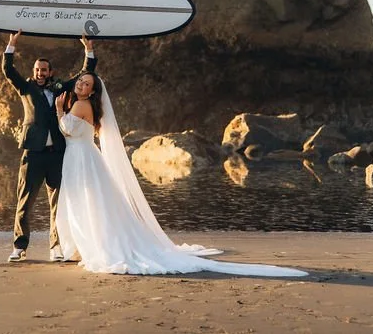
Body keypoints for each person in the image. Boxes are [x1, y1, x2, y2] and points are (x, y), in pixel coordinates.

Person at [53, 72, 307, 278]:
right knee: (91, 202)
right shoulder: (87, 104)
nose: (81, 84)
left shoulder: (80, 105)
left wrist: (59, 110)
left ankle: (89, 246)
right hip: (83, 156)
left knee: (85, 202)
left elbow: (67, 130)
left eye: (86, 84)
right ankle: (87, 245)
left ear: (92, 91)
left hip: (81, 157)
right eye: (80, 81)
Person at [2, 29, 96, 262]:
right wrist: (11, 45)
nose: (40, 73)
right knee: (25, 202)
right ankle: (19, 247)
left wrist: (89, 50)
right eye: (37, 69)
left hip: (57, 154)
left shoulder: (60, 88)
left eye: (44, 70)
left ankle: (56, 247)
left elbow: (84, 75)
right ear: (33, 71)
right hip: (33, 153)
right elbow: (8, 70)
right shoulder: (25, 87)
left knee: (58, 204)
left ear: (50, 72)